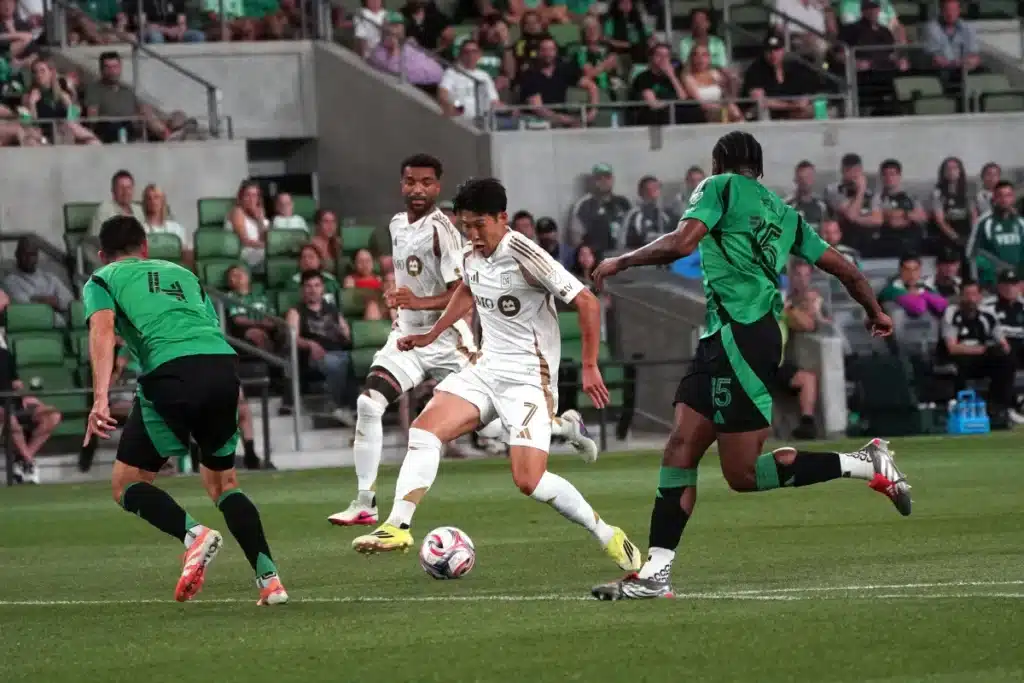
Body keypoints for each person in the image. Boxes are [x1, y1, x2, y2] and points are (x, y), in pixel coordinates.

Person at [587, 130, 910, 601]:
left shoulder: (718, 188)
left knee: (740, 475)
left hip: (740, 335)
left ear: (720, 163)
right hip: (730, 336)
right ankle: (655, 574)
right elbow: (843, 267)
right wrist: (874, 310)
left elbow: (681, 244)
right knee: (680, 446)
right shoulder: (784, 214)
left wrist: (622, 261)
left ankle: (865, 463)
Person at [352, 177, 642, 573]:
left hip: (528, 379)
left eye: (479, 225)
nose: (472, 235)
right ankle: (396, 526)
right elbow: (467, 291)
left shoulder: (524, 253)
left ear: (502, 218)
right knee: (424, 431)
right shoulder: (473, 253)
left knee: (529, 482)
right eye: (466, 226)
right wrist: (429, 334)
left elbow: (588, 303)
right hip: (486, 368)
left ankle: (606, 533)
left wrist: (590, 366)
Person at [328, 155, 597, 529]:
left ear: (437, 187)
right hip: (408, 337)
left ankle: (560, 428)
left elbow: (461, 289)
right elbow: (462, 285)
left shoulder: (451, 233)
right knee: (371, 405)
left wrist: (588, 365)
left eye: (425, 182)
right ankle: (368, 505)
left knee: (497, 433)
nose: (417, 189)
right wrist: (412, 315)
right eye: (409, 181)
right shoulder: (399, 227)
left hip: (456, 347)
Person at [82, 215, 288, 606]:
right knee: (224, 483)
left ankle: (195, 535)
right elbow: (207, 326)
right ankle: (270, 581)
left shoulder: (102, 279)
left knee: (127, 484)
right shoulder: (183, 274)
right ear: (145, 248)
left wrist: (100, 398)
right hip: (223, 368)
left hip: (172, 372)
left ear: (102, 255)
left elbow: (102, 331)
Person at [939, 278, 1021, 423]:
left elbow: (1004, 343)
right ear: (960, 296)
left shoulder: (987, 315)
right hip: (960, 359)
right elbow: (952, 347)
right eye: (967, 294)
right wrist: (983, 349)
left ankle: (999, 407)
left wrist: (999, 350)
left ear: (979, 297)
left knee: (1007, 360)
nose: (971, 299)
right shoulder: (952, 313)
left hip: (981, 360)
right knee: (961, 362)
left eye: (974, 294)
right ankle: (963, 410)